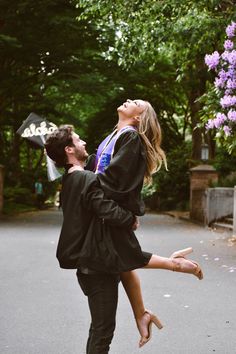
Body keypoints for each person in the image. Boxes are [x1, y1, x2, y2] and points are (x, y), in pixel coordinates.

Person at [45, 124, 203, 352]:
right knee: (102, 331)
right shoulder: (85, 179)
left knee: (100, 329)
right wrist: (130, 219)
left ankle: (152, 302)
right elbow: (104, 208)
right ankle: (173, 268)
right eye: (78, 141)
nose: (84, 143)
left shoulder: (71, 179)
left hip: (94, 264)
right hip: (95, 269)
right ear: (69, 150)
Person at [90, 98, 203, 347]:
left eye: (135, 102)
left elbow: (114, 179)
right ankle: (144, 312)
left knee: (124, 257)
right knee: (123, 260)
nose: (128, 100)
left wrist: (85, 189)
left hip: (109, 211)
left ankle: (173, 267)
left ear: (139, 117)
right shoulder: (115, 135)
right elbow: (97, 169)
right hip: (106, 211)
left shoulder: (129, 137)